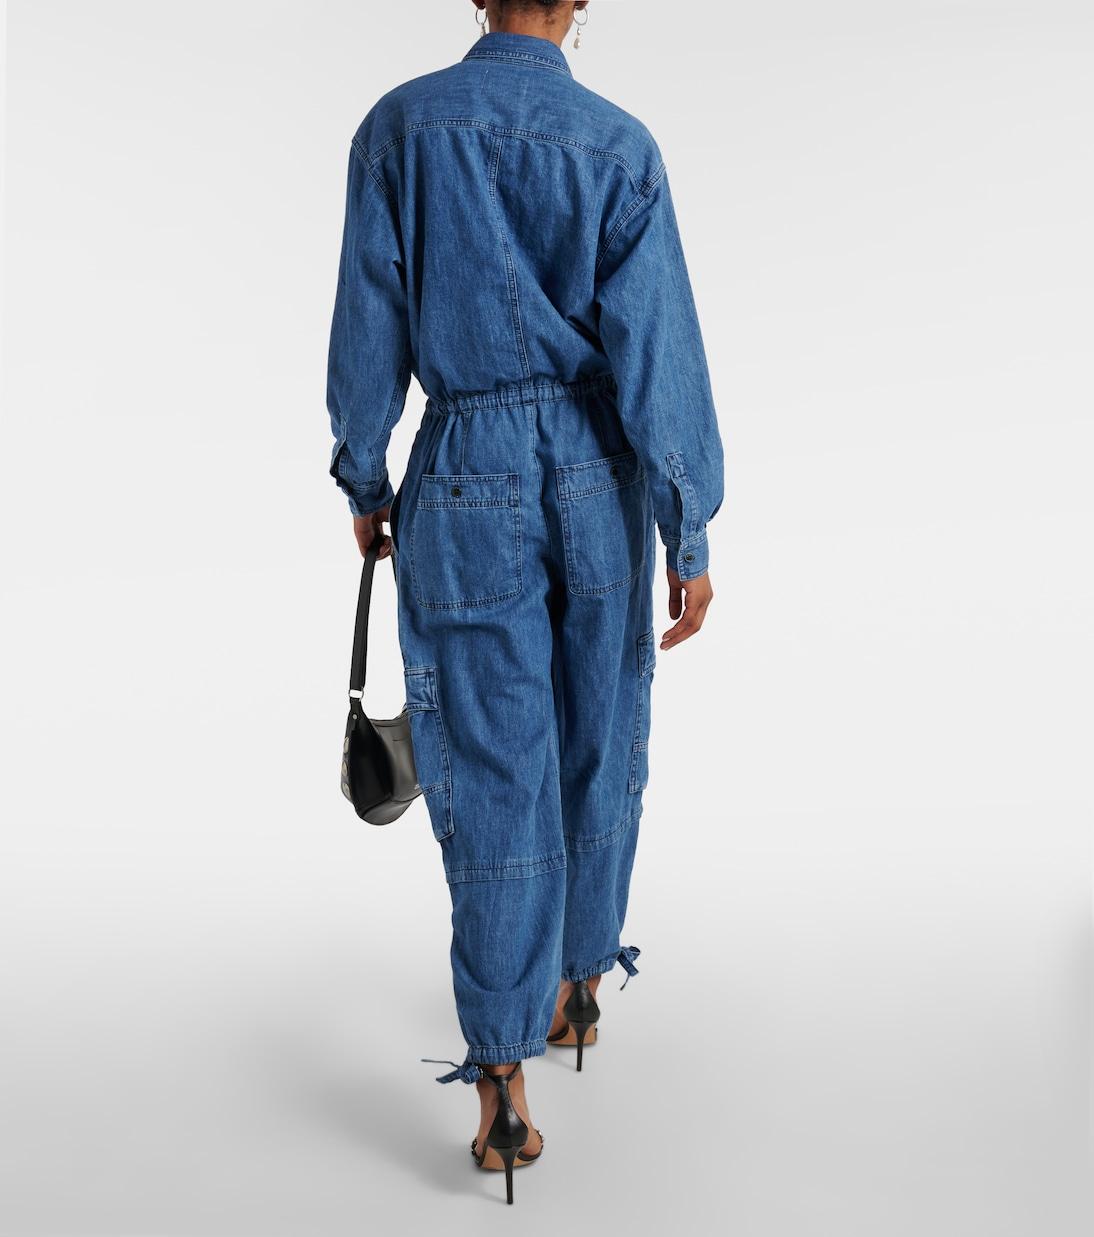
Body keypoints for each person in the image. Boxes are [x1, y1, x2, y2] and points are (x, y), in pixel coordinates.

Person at [325, 0, 724, 1204]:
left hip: (461, 472)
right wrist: (685, 527)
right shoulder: (620, 149)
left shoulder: (399, 129)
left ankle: (500, 1078)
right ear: (580, 3)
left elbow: (368, 324)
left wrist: (366, 476)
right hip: (598, 474)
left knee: (497, 761)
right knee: (598, 730)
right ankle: (574, 984)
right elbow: (655, 351)